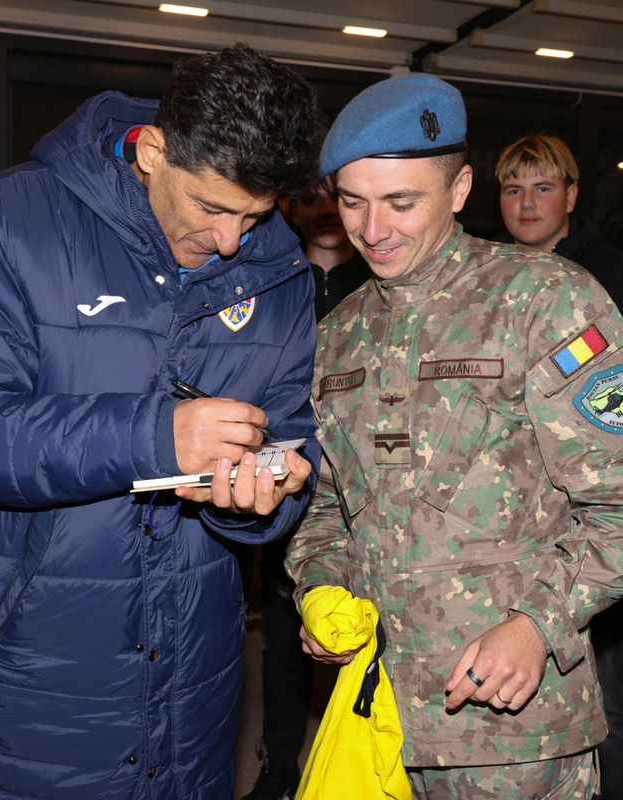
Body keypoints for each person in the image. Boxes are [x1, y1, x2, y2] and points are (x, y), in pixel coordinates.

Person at [0, 44, 322, 800]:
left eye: (253, 216)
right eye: (212, 208)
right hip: (27, 676)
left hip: (195, 679)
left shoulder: (278, 265)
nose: (230, 242)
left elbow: (289, 427)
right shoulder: (7, 222)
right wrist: (155, 435)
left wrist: (272, 493)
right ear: (154, 152)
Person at [286, 73, 623, 799]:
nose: (373, 230)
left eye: (401, 203)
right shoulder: (337, 338)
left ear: (460, 189)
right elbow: (326, 512)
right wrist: (319, 586)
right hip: (376, 716)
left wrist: (536, 624)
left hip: (512, 732)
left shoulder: (544, 299)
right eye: (352, 201)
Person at [495, 133, 623, 800]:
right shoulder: (485, 280)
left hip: (588, 531)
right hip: (498, 538)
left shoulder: (621, 279)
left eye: (542, 187)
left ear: (571, 196)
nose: (526, 203)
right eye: (513, 189)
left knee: (599, 700)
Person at [246, 180, 370, 800]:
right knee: (286, 639)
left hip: (371, 492)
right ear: (291, 206)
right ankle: (280, 765)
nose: (326, 212)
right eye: (314, 198)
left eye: (336, 199)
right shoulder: (272, 278)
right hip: (295, 483)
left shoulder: (380, 278)